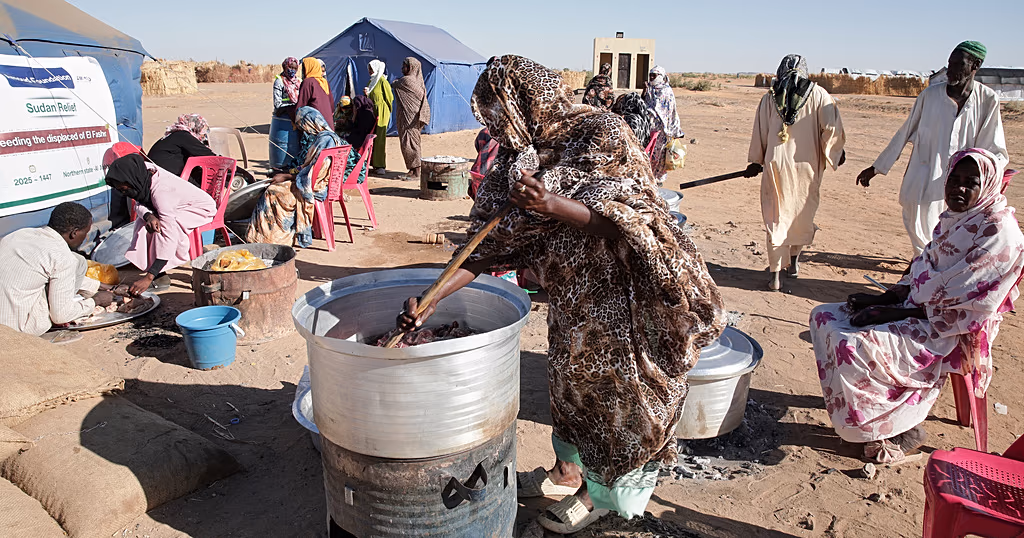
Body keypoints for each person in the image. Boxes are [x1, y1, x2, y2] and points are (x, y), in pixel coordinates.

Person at [396, 55, 725, 534]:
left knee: (620, 404)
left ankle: (608, 500)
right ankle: (566, 474)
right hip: (574, 303)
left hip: (621, 303)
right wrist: (431, 299)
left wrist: (553, 205)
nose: (498, 127)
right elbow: (486, 250)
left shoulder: (602, 133)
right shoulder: (517, 160)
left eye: (500, 114)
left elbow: (635, 220)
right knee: (570, 392)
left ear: (525, 102)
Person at [810, 148, 1024, 463]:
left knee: (852, 343)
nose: (958, 189)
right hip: (917, 308)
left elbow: (964, 301)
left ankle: (901, 428)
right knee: (823, 316)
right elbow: (922, 270)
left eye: (970, 182)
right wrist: (883, 298)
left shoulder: (999, 233)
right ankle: (857, 407)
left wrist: (895, 312)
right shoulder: (957, 219)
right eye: (955, 179)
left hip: (952, 326)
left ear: (988, 185)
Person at [856, 41, 1008, 255]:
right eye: (949, 64)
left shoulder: (987, 100)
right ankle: (924, 261)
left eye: (958, 64)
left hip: (960, 183)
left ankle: (930, 265)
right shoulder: (930, 96)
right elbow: (904, 132)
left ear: (975, 65)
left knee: (953, 228)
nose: (950, 70)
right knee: (916, 218)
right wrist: (876, 168)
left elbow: (993, 148)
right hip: (924, 175)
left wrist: (988, 178)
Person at [745, 54, 847, 291]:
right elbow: (830, 132)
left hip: (775, 166)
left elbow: (760, 132)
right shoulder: (820, 95)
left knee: (776, 219)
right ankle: (794, 263)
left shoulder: (769, 98)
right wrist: (836, 154)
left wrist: (755, 161)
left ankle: (776, 275)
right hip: (806, 167)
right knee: (800, 216)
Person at [247, 107, 367, 247]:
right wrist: (288, 171)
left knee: (273, 192)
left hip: (317, 185)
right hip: (318, 181)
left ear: (309, 123)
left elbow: (313, 173)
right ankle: (266, 237)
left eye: (302, 125)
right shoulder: (325, 137)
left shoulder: (325, 141)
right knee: (274, 187)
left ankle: (274, 239)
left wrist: (286, 176)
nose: (303, 130)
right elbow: (308, 166)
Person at [105, 154, 216, 294]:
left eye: (124, 189)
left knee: (161, 229)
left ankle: (157, 272)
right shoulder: (143, 173)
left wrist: (148, 277)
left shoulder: (161, 191)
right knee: (144, 223)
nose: (124, 193)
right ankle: (160, 274)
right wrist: (148, 215)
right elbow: (138, 205)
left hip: (199, 209)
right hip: (174, 205)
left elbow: (168, 235)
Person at [0, 202, 115, 337]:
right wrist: (96, 301)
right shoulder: (62, 257)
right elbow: (61, 315)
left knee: (79, 261)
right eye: (86, 233)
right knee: (62, 307)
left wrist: (100, 286)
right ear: (74, 233)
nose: (86, 238)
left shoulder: (19, 234)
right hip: (18, 328)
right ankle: (67, 305)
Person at [642, 66, 684, 183]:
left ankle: (657, 180)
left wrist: (675, 130)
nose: (651, 77)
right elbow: (643, 104)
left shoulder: (667, 91)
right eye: (650, 75)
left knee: (659, 156)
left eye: (654, 75)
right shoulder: (649, 89)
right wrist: (644, 91)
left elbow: (672, 112)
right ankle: (648, 178)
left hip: (662, 130)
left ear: (660, 76)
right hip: (649, 128)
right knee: (647, 153)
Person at [147, 113, 216, 183]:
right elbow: (206, 154)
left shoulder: (175, 134)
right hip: (165, 176)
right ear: (196, 128)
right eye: (203, 131)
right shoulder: (183, 135)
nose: (204, 135)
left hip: (157, 173)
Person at [392, 57, 431, 181]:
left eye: (404, 66)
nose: (402, 69)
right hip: (413, 117)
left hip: (409, 119)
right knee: (414, 142)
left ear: (411, 68)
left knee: (409, 143)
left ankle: (415, 171)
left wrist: (395, 81)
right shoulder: (418, 82)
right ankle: (413, 169)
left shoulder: (406, 81)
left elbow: (394, 84)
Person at [611, 92, 667, 178]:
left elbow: (628, 142)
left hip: (632, 156)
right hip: (643, 153)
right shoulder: (644, 117)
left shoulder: (630, 120)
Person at [270, 57, 302, 169]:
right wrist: (291, 107)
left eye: (294, 68)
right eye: (290, 67)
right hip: (283, 119)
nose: (292, 70)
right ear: (285, 66)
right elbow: (277, 104)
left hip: (296, 118)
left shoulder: (298, 81)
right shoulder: (279, 81)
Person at [365, 59, 393, 175]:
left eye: (372, 68)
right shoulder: (371, 82)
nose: (370, 71)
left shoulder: (382, 81)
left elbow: (389, 98)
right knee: (372, 138)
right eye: (369, 69)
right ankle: (373, 163)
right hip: (372, 112)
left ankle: (380, 165)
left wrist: (384, 110)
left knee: (380, 138)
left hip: (381, 112)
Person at [295, 57, 335, 133]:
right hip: (329, 126)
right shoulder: (324, 82)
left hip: (316, 126)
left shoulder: (308, 82)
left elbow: (301, 107)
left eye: (304, 68)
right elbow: (332, 106)